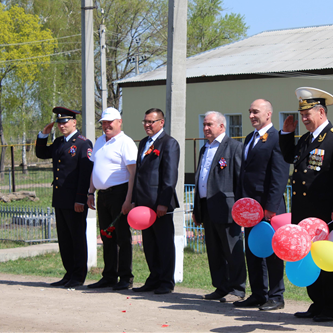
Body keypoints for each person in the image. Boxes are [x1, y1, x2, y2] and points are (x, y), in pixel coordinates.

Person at [279, 87, 333, 322]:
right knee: (308, 258)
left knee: (325, 259)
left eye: (307, 114)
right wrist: (285, 134)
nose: (303, 119)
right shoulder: (305, 139)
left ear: (321, 112)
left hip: (324, 212)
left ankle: (332, 308)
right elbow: (289, 157)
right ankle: (317, 302)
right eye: (301, 115)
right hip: (304, 212)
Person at [234, 99, 290, 311]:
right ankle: (258, 293)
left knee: (272, 253)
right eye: (249, 112)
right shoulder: (250, 138)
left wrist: (271, 207)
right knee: (254, 250)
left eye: (255, 112)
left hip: (269, 207)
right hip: (249, 208)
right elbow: (245, 173)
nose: (251, 116)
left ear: (268, 114)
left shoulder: (277, 138)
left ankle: (276, 296)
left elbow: (279, 175)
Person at [35, 107, 93, 288]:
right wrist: (43, 135)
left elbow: (85, 174)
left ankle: (78, 276)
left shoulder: (83, 143)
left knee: (77, 238)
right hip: (60, 198)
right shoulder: (59, 142)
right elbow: (42, 153)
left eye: (65, 122)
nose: (62, 126)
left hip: (75, 200)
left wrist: (80, 199)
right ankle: (69, 273)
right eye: (59, 122)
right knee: (65, 239)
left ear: (74, 122)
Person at [192, 111, 246, 303]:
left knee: (232, 250)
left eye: (209, 125)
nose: (205, 128)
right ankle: (221, 287)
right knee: (214, 251)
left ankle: (238, 289)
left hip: (227, 207)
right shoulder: (204, 148)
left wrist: (241, 209)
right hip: (207, 207)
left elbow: (240, 180)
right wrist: (196, 207)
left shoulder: (234, 147)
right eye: (204, 124)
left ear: (222, 127)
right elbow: (201, 179)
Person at [86, 107, 137, 291]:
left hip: (120, 192)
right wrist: (91, 192)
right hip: (103, 194)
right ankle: (109, 276)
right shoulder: (100, 141)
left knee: (122, 236)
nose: (106, 126)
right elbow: (95, 169)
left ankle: (125, 277)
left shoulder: (126, 142)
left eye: (110, 122)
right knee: (106, 235)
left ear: (119, 122)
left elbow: (133, 173)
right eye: (104, 123)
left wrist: (128, 198)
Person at [131, 108, 180, 295]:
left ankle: (167, 281)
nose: (147, 125)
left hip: (160, 204)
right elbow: (139, 174)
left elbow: (170, 176)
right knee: (149, 244)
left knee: (164, 243)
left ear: (162, 122)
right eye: (145, 122)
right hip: (144, 205)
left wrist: (163, 203)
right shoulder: (144, 143)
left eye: (151, 122)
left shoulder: (169, 143)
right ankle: (154, 277)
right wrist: (135, 200)